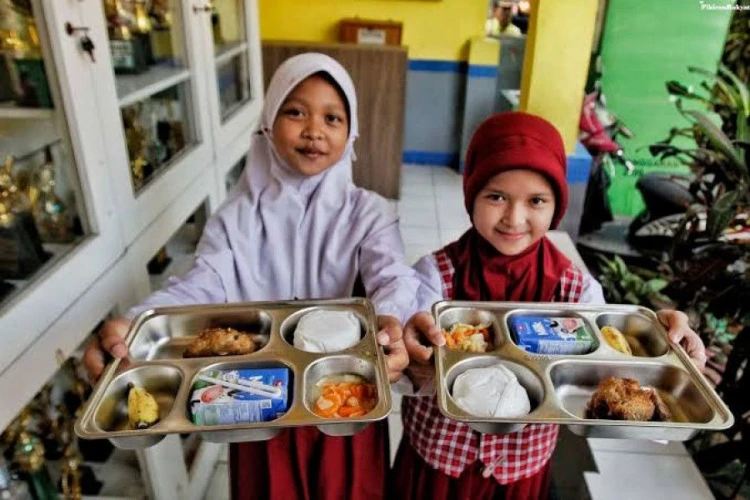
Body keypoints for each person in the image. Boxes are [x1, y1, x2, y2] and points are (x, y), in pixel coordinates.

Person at [83, 53, 419, 500]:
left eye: (332, 118)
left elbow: (391, 275)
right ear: (267, 123)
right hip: (253, 397)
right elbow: (202, 283)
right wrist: (137, 321)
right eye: (295, 111)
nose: (314, 129)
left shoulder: (369, 213)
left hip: (341, 399)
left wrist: (393, 318)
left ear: (351, 132)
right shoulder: (235, 218)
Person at [393, 112, 708, 499]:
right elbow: (406, 369)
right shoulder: (434, 274)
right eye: (496, 197)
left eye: (536, 201)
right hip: (438, 461)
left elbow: (611, 364)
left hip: (520, 468)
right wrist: (411, 358)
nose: (514, 217)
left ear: (555, 206)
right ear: (470, 196)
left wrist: (664, 344)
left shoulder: (575, 288)